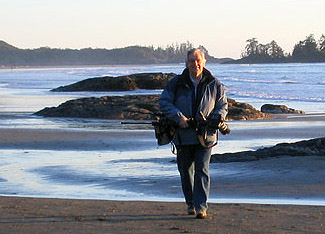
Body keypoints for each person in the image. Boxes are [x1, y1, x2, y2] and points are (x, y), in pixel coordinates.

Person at [159, 48, 228, 219]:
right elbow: (164, 102)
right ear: (186, 63)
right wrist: (178, 117)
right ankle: (190, 203)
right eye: (191, 61)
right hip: (183, 135)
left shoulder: (215, 84)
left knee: (202, 170)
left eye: (198, 60)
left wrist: (215, 118)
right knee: (185, 171)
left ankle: (201, 207)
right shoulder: (176, 82)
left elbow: (222, 106)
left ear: (204, 62)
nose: (195, 64)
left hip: (206, 135)